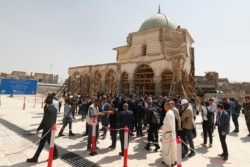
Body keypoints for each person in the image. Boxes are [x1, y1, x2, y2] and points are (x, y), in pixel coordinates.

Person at [26, 95, 58, 163]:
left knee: (46, 143)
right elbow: (54, 119)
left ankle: (54, 155)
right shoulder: (55, 109)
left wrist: (38, 129)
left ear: (46, 103)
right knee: (47, 143)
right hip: (51, 129)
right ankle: (36, 157)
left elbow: (44, 120)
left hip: (47, 129)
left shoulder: (47, 109)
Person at [161, 102, 177, 166]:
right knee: (172, 148)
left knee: (168, 149)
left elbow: (167, 126)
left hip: (168, 134)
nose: (164, 108)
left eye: (164, 106)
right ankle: (173, 160)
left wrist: (162, 127)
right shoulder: (171, 112)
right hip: (172, 133)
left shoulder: (168, 114)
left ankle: (168, 162)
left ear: (167, 106)